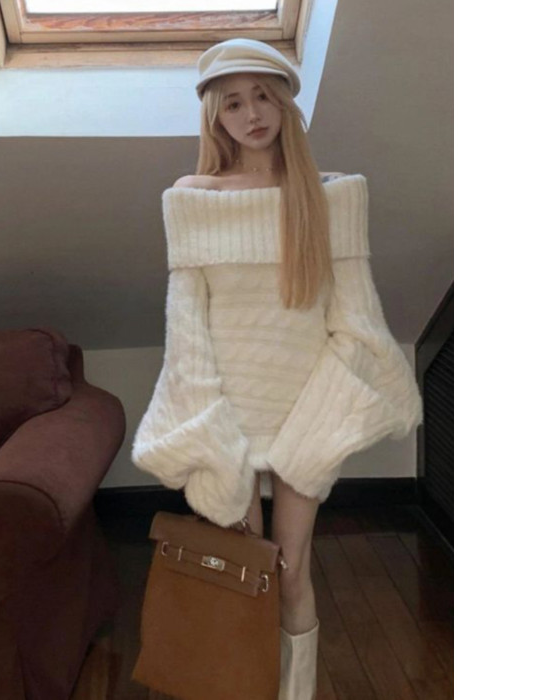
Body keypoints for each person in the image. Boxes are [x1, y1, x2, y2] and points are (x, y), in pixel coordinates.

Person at [131, 37, 424, 700]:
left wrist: (310, 440)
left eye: (263, 96)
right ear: (215, 117)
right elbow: (186, 330)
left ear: (287, 103)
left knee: (291, 571)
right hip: (227, 411)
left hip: (304, 410)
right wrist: (211, 427)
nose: (252, 113)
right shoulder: (191, 197)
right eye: (234, 102)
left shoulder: (333, 197)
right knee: (243, 572)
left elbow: (357, 325)